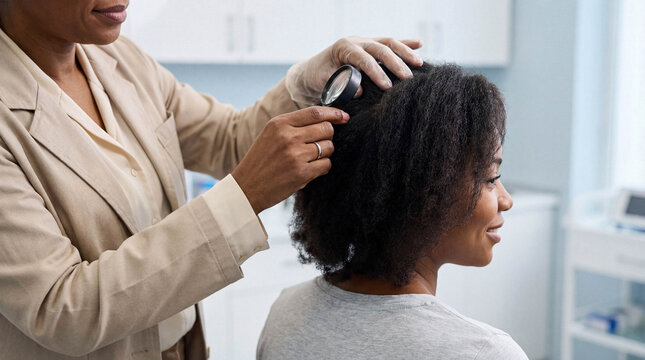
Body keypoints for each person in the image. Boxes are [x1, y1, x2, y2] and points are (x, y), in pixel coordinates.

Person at [0, 0, 424, 359]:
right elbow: (61, 309)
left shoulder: (121, 60)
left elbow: (225, 139)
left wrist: (301, 84)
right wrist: (242, 198)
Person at [257, 63, 528, 360]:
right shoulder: (485, 353)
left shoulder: (285, 311)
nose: (506, 200)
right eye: (490, 179)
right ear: (426, 196)